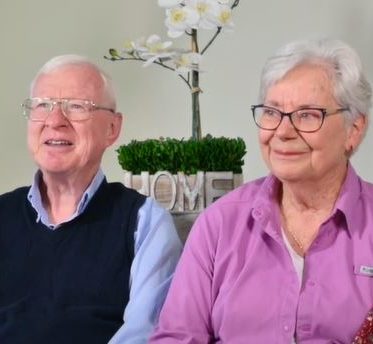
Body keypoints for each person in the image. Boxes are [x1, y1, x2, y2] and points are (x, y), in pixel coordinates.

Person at [149, 38, 373, 343]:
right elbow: (176, 337)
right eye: (271, 112)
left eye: (307, 115)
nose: (282, 131)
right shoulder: (219, 224)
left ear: (354, 129)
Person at [0, 55, 183, 344]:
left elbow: (145, 334)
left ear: (112, 128)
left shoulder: (144, 222)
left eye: (76, 107)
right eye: (43, 105)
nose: (55, 121)